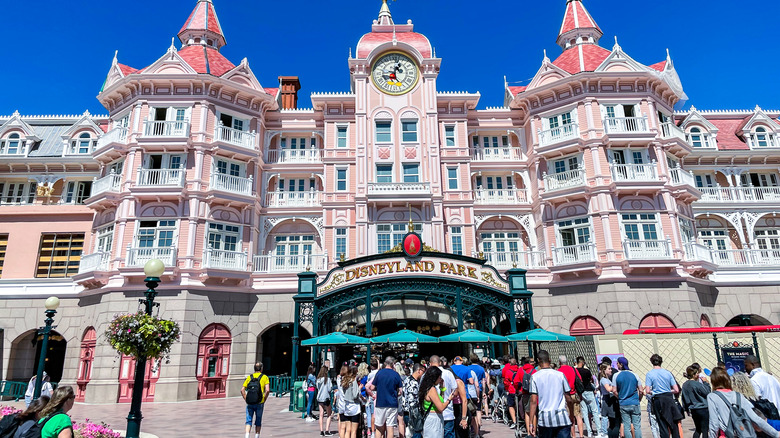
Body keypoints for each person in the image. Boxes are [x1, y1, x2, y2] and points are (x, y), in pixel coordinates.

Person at [706, 367, 779, 438]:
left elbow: (714, 423)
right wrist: (775, 434)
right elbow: (756, 418)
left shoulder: (712, 397)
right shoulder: (738, 396)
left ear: (713, 382)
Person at [529, 350, 575, 438]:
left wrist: (531, 422)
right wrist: (571, 415)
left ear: (538, 361)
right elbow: (569, 398)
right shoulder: (560, 375)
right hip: (562, 417)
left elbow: (533, 401)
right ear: (549, 360)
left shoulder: (535, 377)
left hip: (545, 419)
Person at [644, 354, 682, 438]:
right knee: (673, 424)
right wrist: (668, 390)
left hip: (658, 399)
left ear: (652, 362)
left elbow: (647, 391)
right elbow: (676, 389)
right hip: (669, 399)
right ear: (661, 362)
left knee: (662, 424)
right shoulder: (668, 373)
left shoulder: (649, 374)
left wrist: (654, 391)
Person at [366, 357, 402, 438]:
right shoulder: (396, 374)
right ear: (393, 364)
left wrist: (377, 390)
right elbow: (400, 391)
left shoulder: (379, 373)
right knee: (390, 427)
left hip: (380, 403)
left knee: (379, 427)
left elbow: (371, 387)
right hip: (392, 403)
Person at [429, 355, 464, 438]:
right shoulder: (448, 373)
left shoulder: (427, 374)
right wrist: (449, 396)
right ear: (440, 363)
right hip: (448, 412)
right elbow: (455, 391)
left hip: (432, 413)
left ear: (430, 364)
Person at [418, 366, 455, 438]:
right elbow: (441, 407)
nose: (441, 379)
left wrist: (442, 389)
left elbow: (440, 400)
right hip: (434, 419)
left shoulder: (427, 387)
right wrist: (449, 399)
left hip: (433, 418)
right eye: (439, 377)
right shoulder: (431, 389)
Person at [613, 357, 643, 438]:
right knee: (637, 426)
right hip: (634, 402)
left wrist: (620, 397)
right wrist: (639, 399)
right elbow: (641, 390)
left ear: (621, 365)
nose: (617, 365)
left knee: (626, 426)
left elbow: (614, 391)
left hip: (623, 403)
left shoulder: (616, 375)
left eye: (618, 363)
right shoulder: (635, 375)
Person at [241, 362, 271, 438]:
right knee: (258, 420)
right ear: (261, 369)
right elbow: (267, 390)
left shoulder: (249, 377)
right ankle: (257, 436)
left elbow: (242, 390)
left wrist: (246, 399)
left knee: (248, 420)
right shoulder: (265, 377)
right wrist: (264, 399)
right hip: (259, 402)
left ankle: (247, 435)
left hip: (250, 402)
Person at [558, 355, 585, 438]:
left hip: (566, 396)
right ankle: (581, 435)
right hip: (574, 394)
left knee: (570, 417)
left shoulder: (559, 371)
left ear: (559, 362)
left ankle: (573, 436)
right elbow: (580, 379)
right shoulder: (573, 369)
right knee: (578, 415)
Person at [681, 365, 710, 438]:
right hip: (703, 408)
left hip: (693, 409)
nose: (698, 375)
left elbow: (684, 398)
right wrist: (706, 383)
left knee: (698, 429)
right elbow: (707, 392)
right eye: (697, 373)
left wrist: (686, 409)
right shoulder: (697, 384)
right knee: (705, 429)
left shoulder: (685, 385)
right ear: (693, 375)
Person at [576, 356, 601, 438]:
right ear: (582, 362)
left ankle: (589, 432)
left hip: (581, 392)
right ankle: (599, 430)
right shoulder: (586, 371)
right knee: (594, 411)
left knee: (585, 413)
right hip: (589, 391)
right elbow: (591, 380)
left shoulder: (575, 371)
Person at [339, 365, 362, 438]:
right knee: (353, 431)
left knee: (347, 430)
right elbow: (355, 395)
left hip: (347, 405)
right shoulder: (353, 380)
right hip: (354, 406)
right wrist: (359, 388)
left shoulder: (344, 380)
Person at [403, 363, 425, 438]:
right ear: (419, 370)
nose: (423, 374)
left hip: (406, 411)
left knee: (411, 432)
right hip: (413, 412)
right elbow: (413, 401)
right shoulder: (414, 383)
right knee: (417, 432)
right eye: (423, 371)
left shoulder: (406, 379)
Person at [599, 364, 620, 438]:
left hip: (611, 399)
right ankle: (607, 433)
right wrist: (616, 386)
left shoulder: (607, 379)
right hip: (608, 400)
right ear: (604, 370)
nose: (611, 370)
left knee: (612, 420)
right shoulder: (604, 380)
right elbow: (608, 389)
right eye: (609, 369)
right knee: (612, 420)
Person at [501, 356, 523, 429]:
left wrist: (507, 389)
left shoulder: (508, 371)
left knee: (511, 405)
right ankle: (521, 419)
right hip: (520, 390)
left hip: (511, 390)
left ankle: (514, 421)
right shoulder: (520, 370)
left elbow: (506, 382)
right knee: (520, 405)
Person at [317, 365, 335, 436]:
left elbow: (317, 388)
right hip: (326, 398)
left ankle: (321, 431)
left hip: (319, 398)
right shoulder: (327, 379)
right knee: (329, 414)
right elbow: (330, 389)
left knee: (321, 414)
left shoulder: (318, 379)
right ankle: (327, 430)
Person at [394, 361, 407, 438]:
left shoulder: (395, 377)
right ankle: (402, 436)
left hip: (395, 398)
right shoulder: (405, 377)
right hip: (402, 399)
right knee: (401, 421)